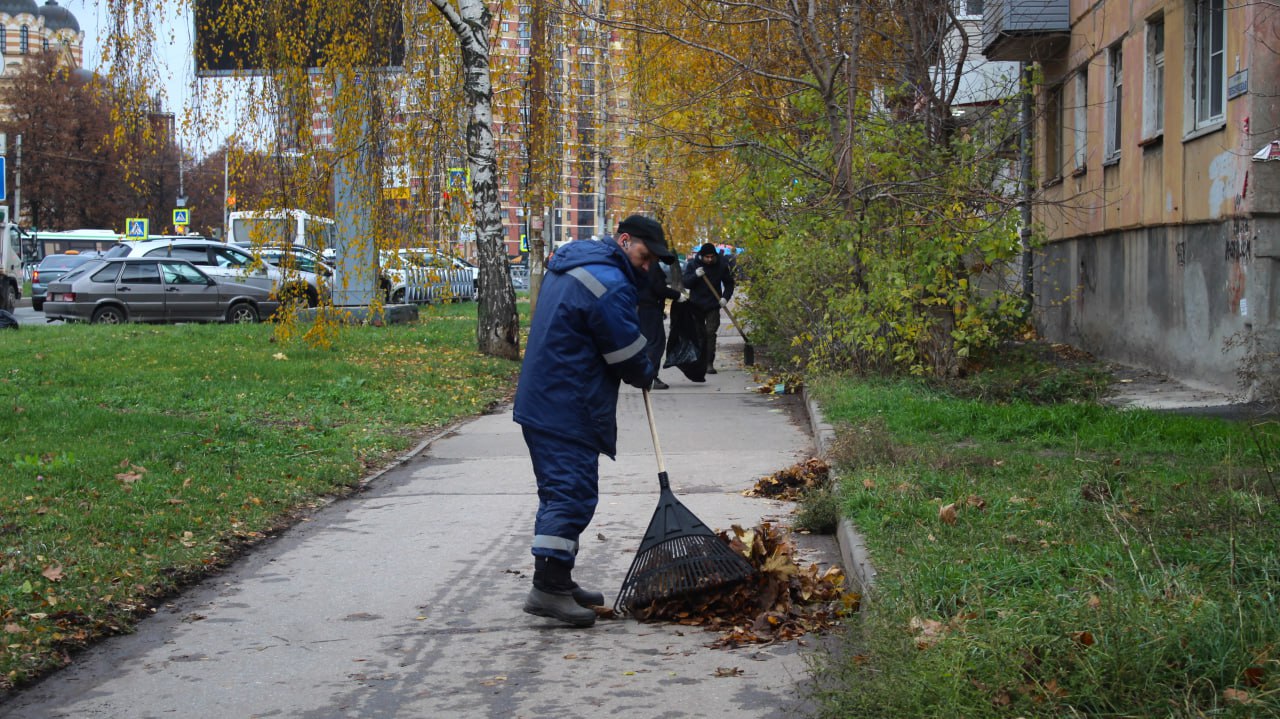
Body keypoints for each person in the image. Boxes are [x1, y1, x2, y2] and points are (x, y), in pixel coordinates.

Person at [512, 214, 675, 627]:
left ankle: (558, 579)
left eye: (653, 260)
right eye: (643, 256)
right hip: (567, 403)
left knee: (561, 491)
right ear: (624, 241)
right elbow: (624, 353)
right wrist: (645, 369)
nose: (647, 266)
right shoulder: (609, 283)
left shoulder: (575, 263)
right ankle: (547, 588)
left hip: (549, 398)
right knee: (571, 493)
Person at [682, 242, 735, 374]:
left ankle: (708, 363)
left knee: (710, 333)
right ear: (701, 256)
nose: (710, 259)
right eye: (707, 257)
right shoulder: (693, 265)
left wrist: (725, 298)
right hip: (696, 305)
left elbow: (729, 283)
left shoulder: (721, 265)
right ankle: (699, 362)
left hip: (713, 304)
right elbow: (686, 283)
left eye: (712, 257)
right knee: (699, 334)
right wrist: (695, 275)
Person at [637, 257, 688, 390]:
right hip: (649, 309)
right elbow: (658, 288)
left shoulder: (642, 264)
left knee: (650, 342)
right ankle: (650, 377)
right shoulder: (651, 265)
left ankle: (647, 375)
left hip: (646, 307)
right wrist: (677, 295)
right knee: (655, 344)